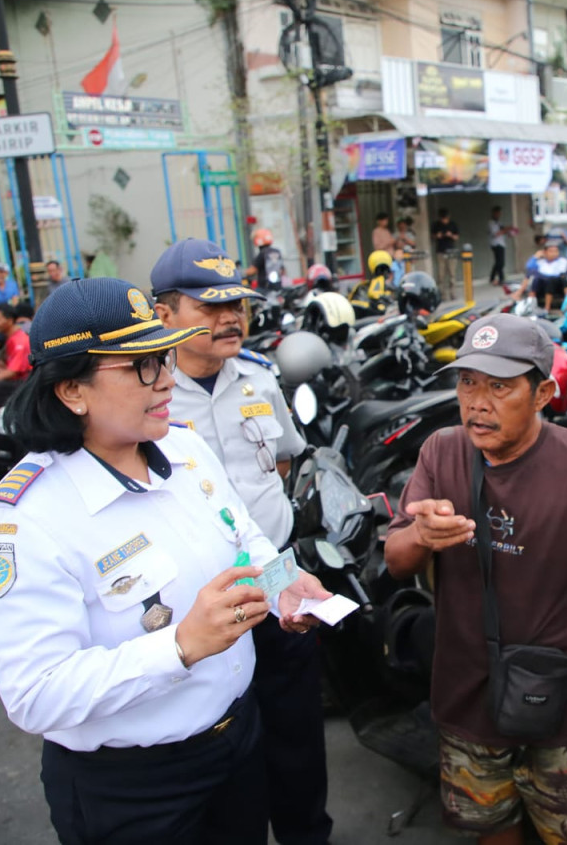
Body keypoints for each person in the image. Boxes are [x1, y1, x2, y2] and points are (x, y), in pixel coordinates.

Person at [0, 277, 332, 845]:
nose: (167, 379)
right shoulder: (20, 524)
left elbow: (245, 539)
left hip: (238, 738)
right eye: (141, 366)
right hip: (137, 788)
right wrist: (180, 645)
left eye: (163, 356)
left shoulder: (182, 448)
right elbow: (36, 694)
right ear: (72, 392)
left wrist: (284, 583)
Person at [384, 313, 567, 845]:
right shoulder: (441, 451)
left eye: (499, 387)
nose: (477, 401)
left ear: (542, 393)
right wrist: (422, 536)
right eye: (467, 382)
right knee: (492, 831)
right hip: (468, 698)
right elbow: (396, 560)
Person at [150, 239, 331, 845]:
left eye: (237, 305)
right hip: (200, 604)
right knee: (228, 751)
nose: (230, 318)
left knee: (298, 737)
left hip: (277, 575)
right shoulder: (146, 397)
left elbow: (282, 464)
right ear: (164, 314)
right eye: (210, 306)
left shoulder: (258, 377)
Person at [433, 208, 460, 300]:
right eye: (443, 218)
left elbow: (456, 237)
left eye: (445, 218)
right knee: (441, 274)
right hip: (440, 251)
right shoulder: (437, 225)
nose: (444, 220)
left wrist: (450, 235)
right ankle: (442, 294)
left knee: (452, 274)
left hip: (451, 252)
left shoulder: (452, 224)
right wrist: (438, 235)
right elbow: (432, 235)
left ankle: (453, 293)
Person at [487, 206, 513, 286]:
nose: (499, 215)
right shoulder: (491, 223)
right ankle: (499, 278)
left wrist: (509, 232)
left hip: (501, 243)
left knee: (500, 262)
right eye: (497, 213)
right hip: (495, 244)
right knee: (500, 262)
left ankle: (494, 278)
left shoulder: (499, 222)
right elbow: (496, 233)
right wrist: (506, 229)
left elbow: (503, 230)